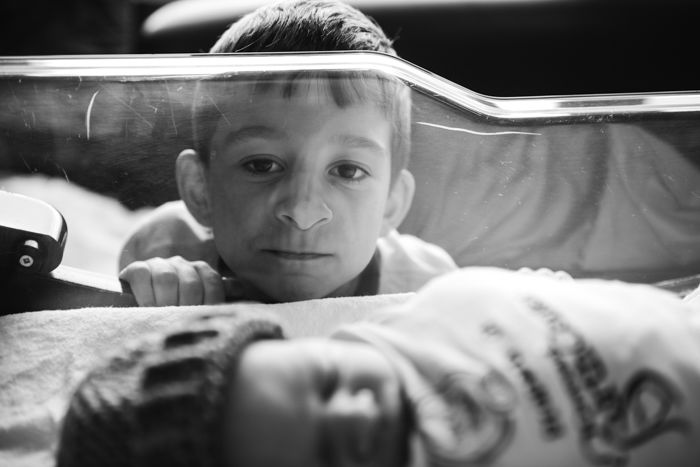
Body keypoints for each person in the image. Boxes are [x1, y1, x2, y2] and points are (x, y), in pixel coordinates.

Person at [57, 267, 700, 467]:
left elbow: (564, 290)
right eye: (332, 454)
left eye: (327, 380)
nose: (363, 411)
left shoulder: (422, 313)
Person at [118, 0, 457, 306]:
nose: (302, 212)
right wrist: (158, 294)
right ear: (199, 188)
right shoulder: (164, 246)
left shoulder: (429, 290)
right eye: (262, 165)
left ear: (391, 204)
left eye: (347, 171)